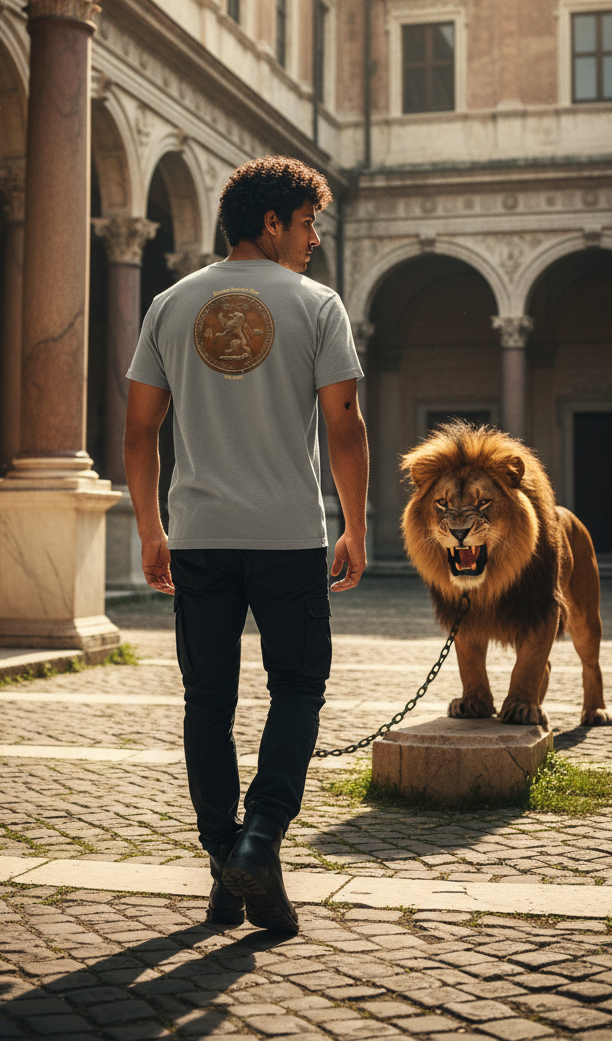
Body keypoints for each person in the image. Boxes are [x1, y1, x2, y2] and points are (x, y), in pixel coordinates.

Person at [123, 155, 369, 934]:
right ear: (271, 222)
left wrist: (151, 529)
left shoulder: (169, 303)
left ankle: (225, 867)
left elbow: (138, 432)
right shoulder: (317, 304)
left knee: (208, 702)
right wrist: (356, 525)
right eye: (306, 225)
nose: (314, 242)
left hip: (197, 536)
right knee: (296, 690)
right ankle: (259, 842)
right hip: (289, 537)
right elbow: (344, 424)